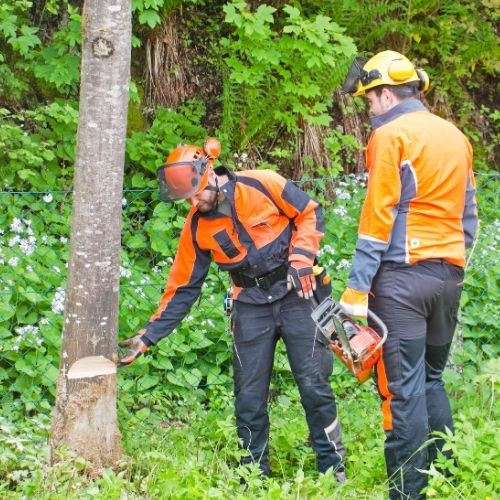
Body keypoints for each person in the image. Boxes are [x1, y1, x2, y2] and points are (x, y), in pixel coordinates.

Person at [118, 137, 346, 481]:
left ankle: (333, 468)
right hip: (250, 305)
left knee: (314, 384)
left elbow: (310, 212)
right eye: (187, 199)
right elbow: (182, 287)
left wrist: (302, 257)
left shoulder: (261, 183)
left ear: (208, 173)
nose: (194, 202)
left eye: (197, 193)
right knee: (249, 396)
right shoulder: (197, 227)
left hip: (297, 292)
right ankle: (254, 475)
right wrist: (148, 337)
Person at [339, 51, 478, 499]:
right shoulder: (456, 136)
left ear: (384, 92)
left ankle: (407, 491)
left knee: (403, 392)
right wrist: (454, 263)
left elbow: (378, 214)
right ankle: (446, 476)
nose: (369, 110)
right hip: (448, 277)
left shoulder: (391, 134)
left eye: (369, 100)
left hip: (400, 280)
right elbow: (469, 215)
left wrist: (358, 287)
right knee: (431, 379)